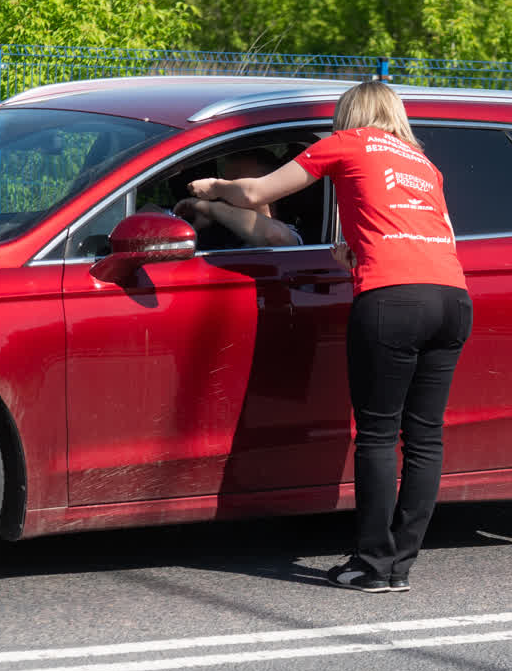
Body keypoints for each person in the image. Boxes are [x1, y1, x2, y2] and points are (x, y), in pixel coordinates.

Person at [189, 80, 472, 593]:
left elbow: (255, 193)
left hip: (392, 299)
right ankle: (399, 566)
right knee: (425, 435)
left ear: (352, 114)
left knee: (379, 435)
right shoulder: (424, 165)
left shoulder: (348, 142)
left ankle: (371, 563)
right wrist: (357, 251)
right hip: (452, 297)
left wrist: (210, 189)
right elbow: (435, 233)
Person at [172, 150, 303, 250]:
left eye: (235, 184)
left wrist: (211, 209)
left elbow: (275, 237)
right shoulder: (222, 225)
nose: (226, 192)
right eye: (226, 180)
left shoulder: (290, 233)